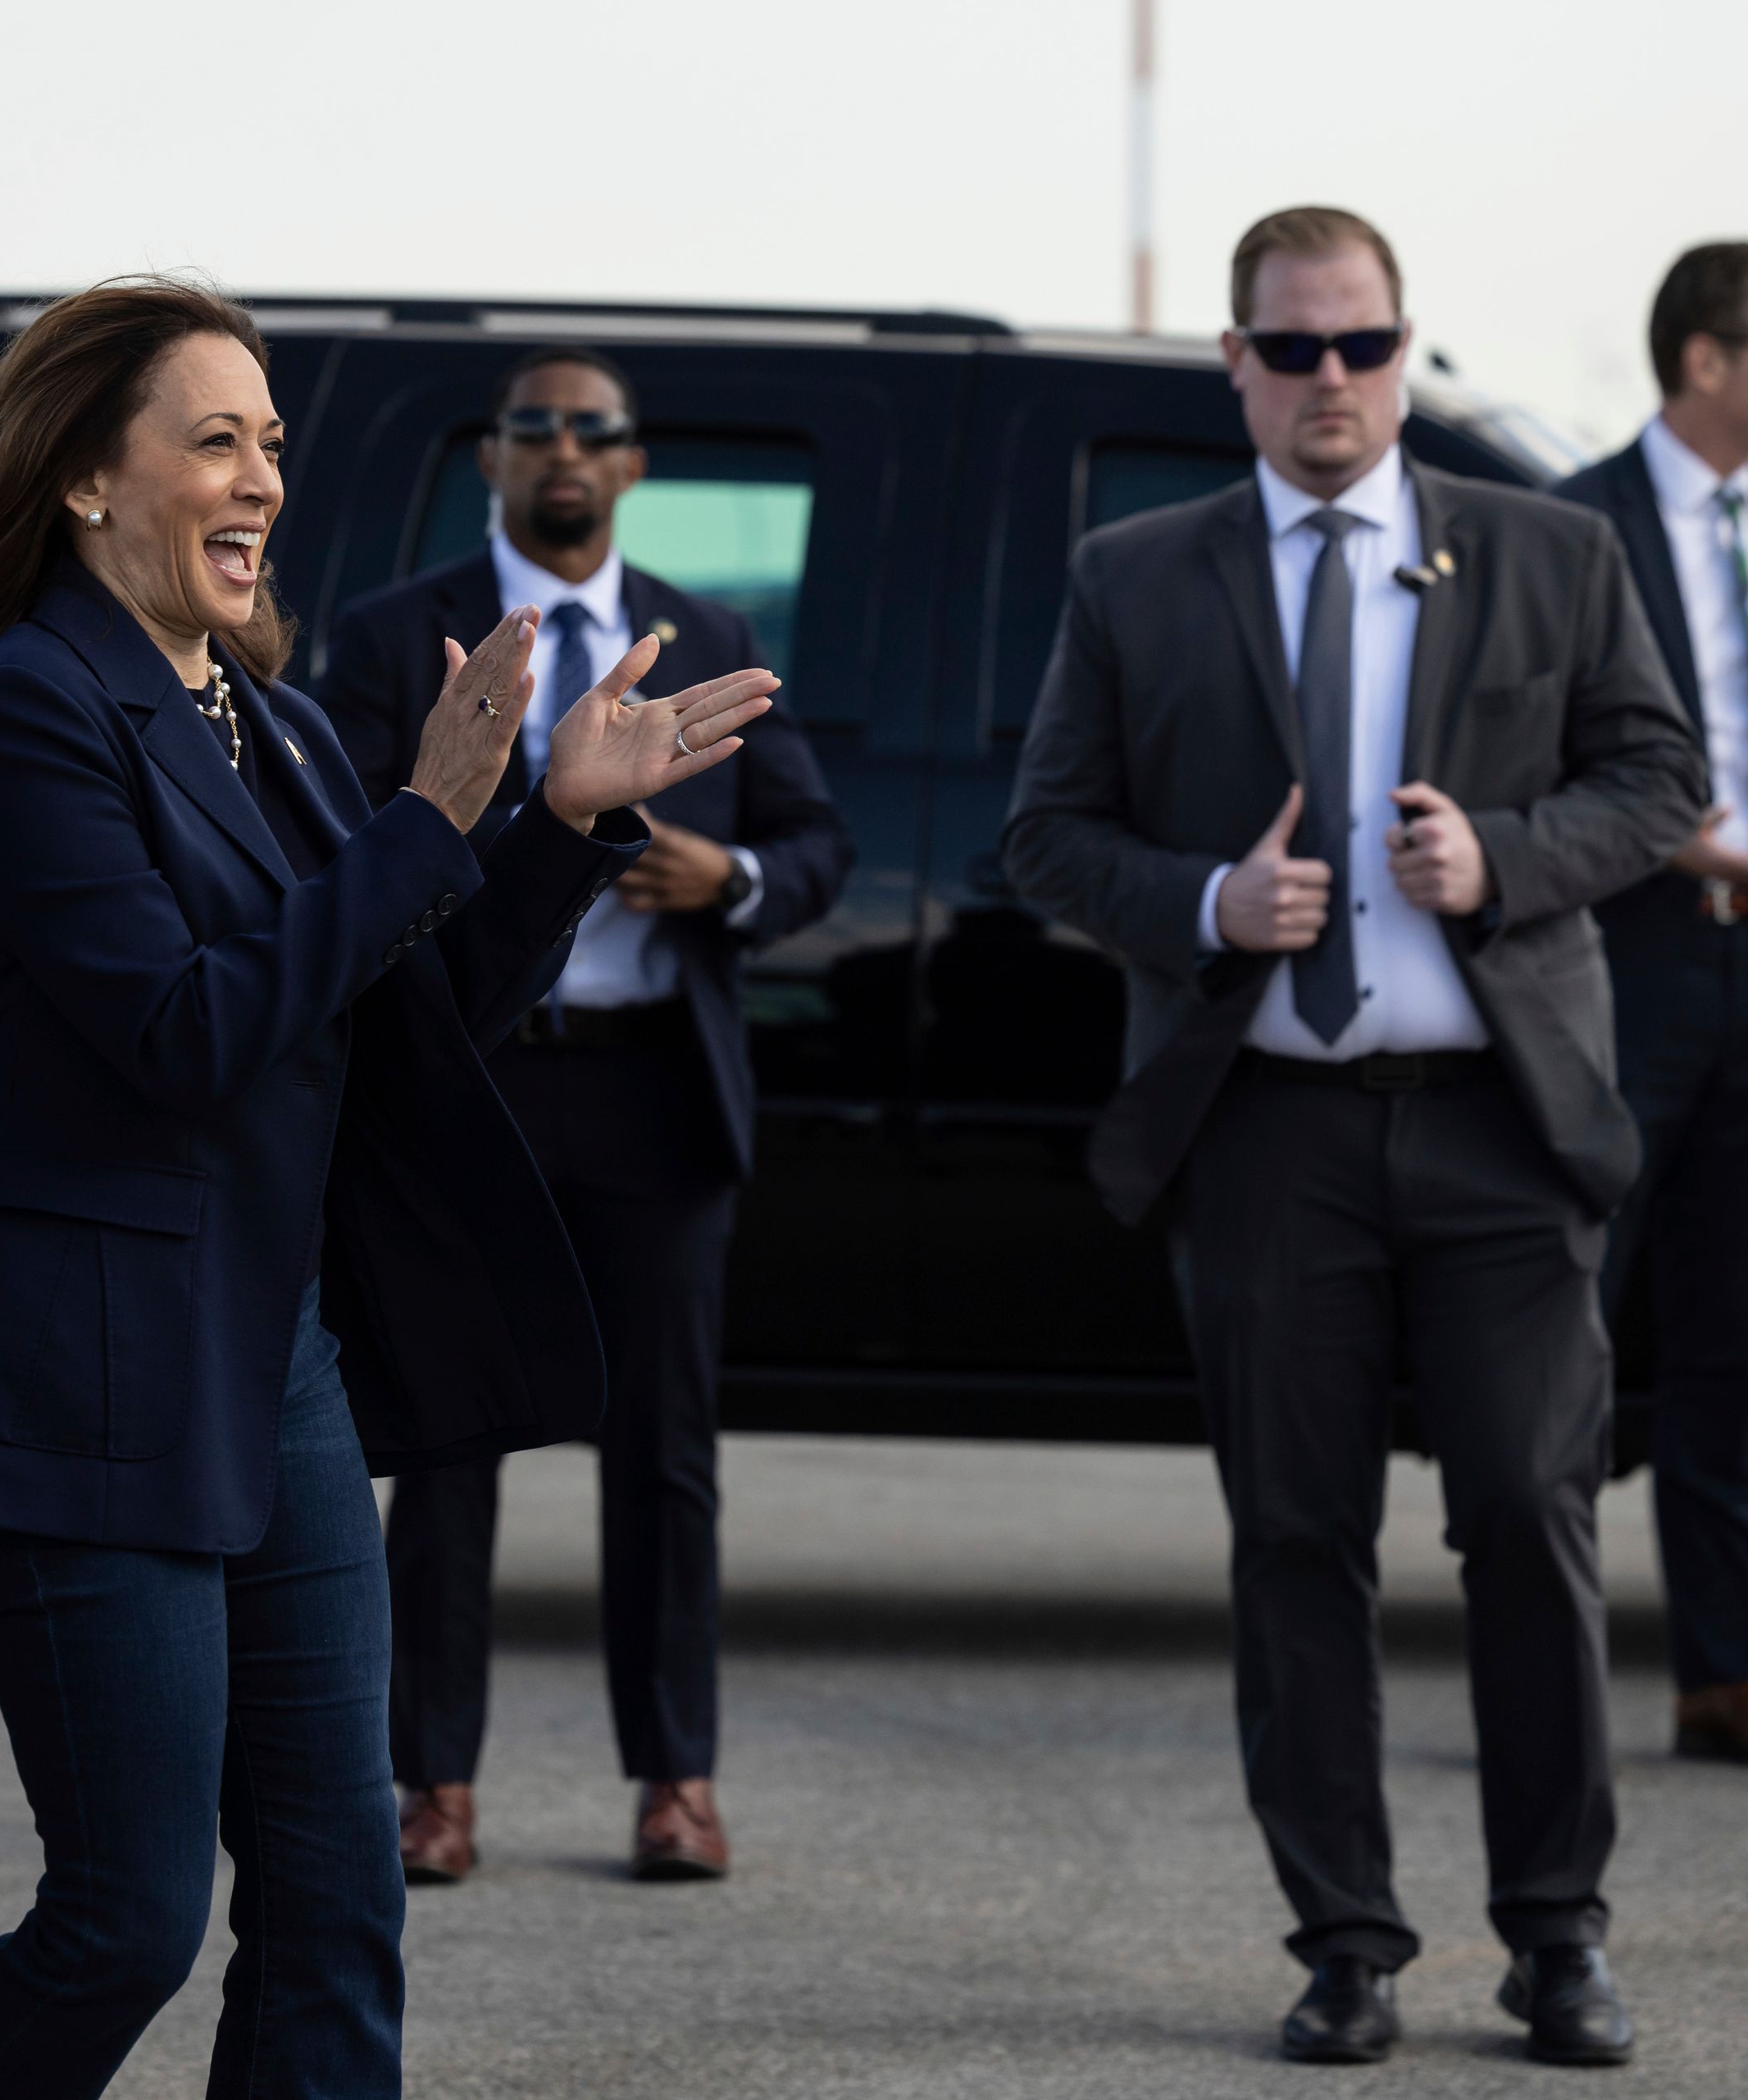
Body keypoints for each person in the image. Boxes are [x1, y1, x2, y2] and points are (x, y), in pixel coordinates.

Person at [0, 276, 774, 2097]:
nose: (261, 477)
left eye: (271, 441)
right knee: (122, 1919)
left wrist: (557, 826)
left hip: (271, 1370)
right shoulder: (35, 711)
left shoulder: (257, 713)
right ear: (84, 483)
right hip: (90, 1385)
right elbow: (190, 1034)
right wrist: (433, 816)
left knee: (342, 1892)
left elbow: (402, 1010)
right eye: (214, 440)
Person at [1004, 205, 1704, 2070]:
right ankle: (1347, 1945)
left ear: (1407, 353)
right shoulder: (1135, 575)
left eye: (1365, 346)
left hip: (1500, 1130)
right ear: (1233, 362)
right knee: (1295, 1545)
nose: (1334, 382)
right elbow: (1050, 833)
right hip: (1268, 1138)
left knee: (1531, 1534)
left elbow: (1662, 780)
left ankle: (1557, 1941)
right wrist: (1210, 903)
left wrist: (1507, 857)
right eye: (1293, 349)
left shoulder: (1551, 554)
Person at [321, 348, 852, 1885]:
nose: (564, 449)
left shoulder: (716, 635)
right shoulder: (389, 634)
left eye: (595, 429)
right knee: (443, 1436)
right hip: (468, 1076)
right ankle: (433, 1784)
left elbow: (816, 836)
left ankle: (676, 1780)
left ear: (634, 464)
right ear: (492, 455)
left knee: (667, 1452)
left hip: (650, 1085)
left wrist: (729, 880)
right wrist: (518, 824)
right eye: (535, 425)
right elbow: (349, 843)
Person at [1553, 242, 1748, 1769]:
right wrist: (1676, 830)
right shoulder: (1575, 527)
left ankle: (1721, 1677)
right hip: (1630, 957)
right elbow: (1538, 755)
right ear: (1705, 360)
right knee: (1576, 1324)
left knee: (1735, 1332)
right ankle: (1536, 1656)